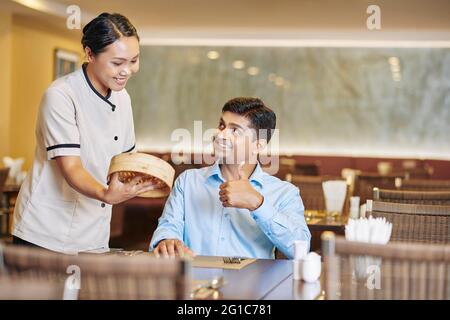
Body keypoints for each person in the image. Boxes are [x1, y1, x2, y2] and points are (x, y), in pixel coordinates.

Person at [12, 13, 156, 253]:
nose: (127, 71)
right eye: (117, 63)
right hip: (45, 233)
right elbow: (71, 168)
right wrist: (106, 193)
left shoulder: (123, 98)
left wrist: (145, 178)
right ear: (90, 54)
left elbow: (125, 160)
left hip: (93, 233)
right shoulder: (61, 95)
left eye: (134, 60)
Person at [150, 97, 311, 259]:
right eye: (222, 126)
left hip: (254, 283)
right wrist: (166, 240)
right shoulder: (187, 182)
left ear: (258, 145)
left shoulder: (284, 193)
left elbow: (301, 249)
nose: (220, 135)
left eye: (235, 131)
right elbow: (168, 226)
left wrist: (257, 204)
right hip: (194, 281)